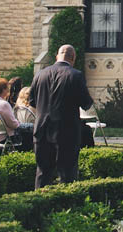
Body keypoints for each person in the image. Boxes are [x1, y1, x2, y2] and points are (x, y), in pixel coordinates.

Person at [29, 44, 93, 189]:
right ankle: (65, 205)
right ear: (73, 58)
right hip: (66, 131)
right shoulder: (75, 75)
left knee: (42, 172)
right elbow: (86, 103)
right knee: (67, 173)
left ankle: (39, 204)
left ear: (57, 56)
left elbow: (32, 101)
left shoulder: (40, 74)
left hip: (42, 129)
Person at [0, 77, 29, 148]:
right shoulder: (4, 104)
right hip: (5, 138)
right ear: (4, 90)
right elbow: (14, 125)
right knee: (32, 127)